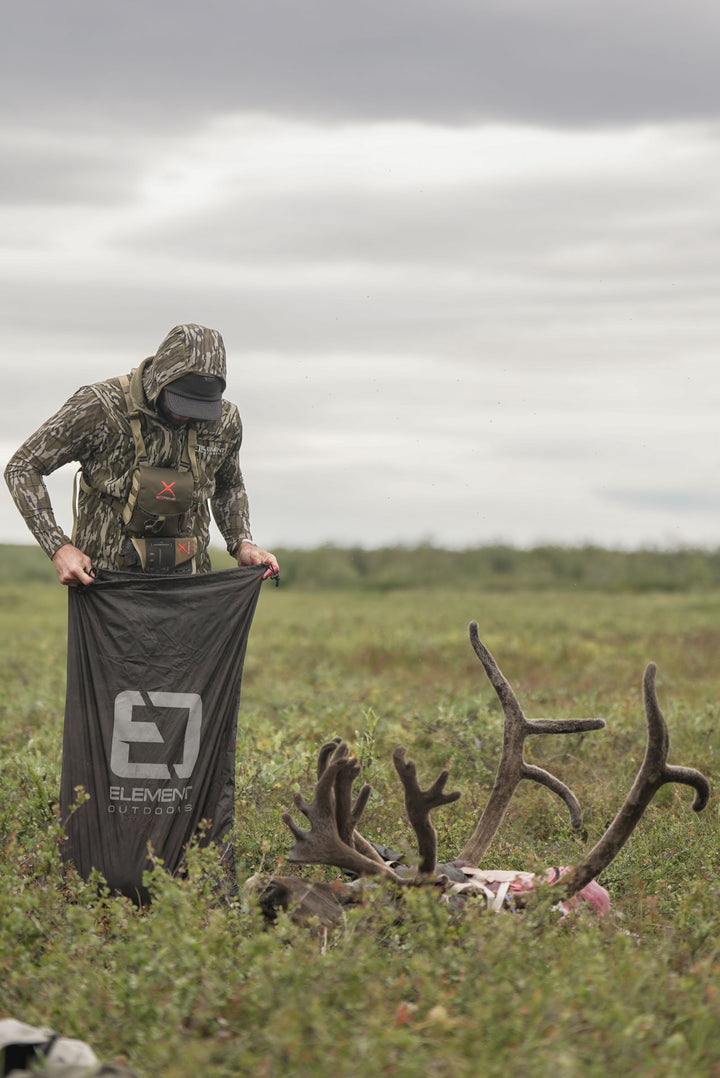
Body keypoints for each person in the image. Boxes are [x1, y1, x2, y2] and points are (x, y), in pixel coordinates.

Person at [4, 323, 279, 584]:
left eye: (201, 407)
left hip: (189, 584)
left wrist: (241, 542)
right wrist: (59, 548)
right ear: (159, 379)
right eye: (181, 402)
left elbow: (229, 485)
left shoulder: (225, 420)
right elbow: (22, 467)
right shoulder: (100, 406)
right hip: (105, 583)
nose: (188, 415)